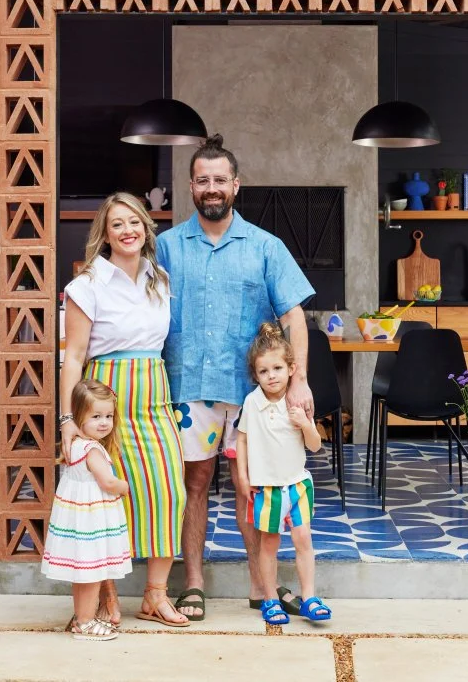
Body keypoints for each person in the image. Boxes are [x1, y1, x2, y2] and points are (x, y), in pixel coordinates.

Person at [156, 134, 315, 620]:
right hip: (189, 388)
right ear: (191, 186)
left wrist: (299, 380)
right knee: (194, 484)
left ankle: (259, 585)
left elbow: (294, 316)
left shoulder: (266, 247)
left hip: (252, 399)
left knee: (255, 487)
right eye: (202, 180)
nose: (211, 188)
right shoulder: (165, 246)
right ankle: (194, 583)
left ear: (236, 185)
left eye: (219, 180)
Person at [59, 192, 189, 628]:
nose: (128, 230)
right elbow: (74, 356)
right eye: (117, 224)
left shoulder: (160, 278)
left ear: (146, 227)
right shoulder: (87, 284)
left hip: (154, 392)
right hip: (104, 400)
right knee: (105, 498)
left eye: (134, 221)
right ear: (105, 233)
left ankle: (155, 595)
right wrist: (68, 422)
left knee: (170, 491)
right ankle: (107, 595)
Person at [237, 323, 331, 624]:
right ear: (256, 375)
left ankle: (310, 596)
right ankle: (269, 598)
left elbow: (315, 446)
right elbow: (242, 439)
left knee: (303, 539)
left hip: (298, 485)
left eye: (277, 368)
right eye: (263, 371)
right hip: (267, 488)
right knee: (269, 543)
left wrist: (305, 424)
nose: (271, 376)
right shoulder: (253, 402)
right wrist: (242, 476)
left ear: (291, 369)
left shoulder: (298, 403)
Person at [42, 379, 131, 641]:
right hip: (91, 518)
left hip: (78, 517)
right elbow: (107, 482)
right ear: (79, 416)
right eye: (96, 416)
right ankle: (86, 622)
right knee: (92, 572)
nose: (104, 422)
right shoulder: (92, 449)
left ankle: (80, 618)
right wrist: (124, 486)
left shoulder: (75, 446)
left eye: (108, 416)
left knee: (82, 573)